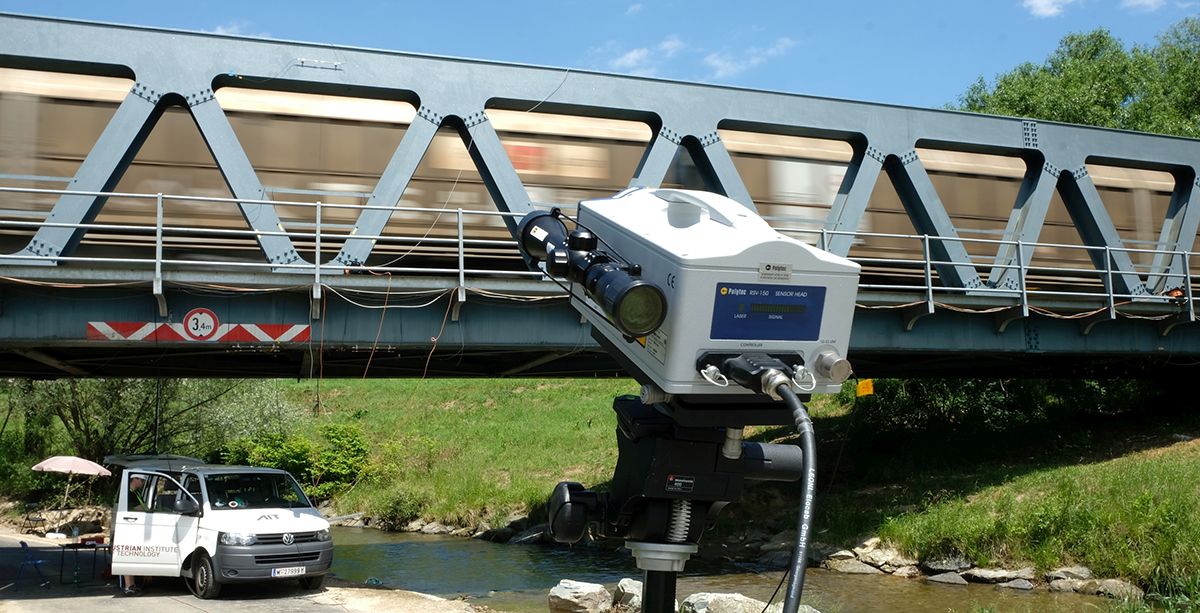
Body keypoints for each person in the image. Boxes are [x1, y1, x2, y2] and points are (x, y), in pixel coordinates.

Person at [123, 475, 147, 595]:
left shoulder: (136, 493)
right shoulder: (129, 493)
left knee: (132, 556)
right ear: (135, 479)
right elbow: (139, 509)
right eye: (142, 480)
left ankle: (132, 584)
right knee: (128, 555)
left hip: (136, 527)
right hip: (129, 527)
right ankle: (128, 586)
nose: (143, 483)